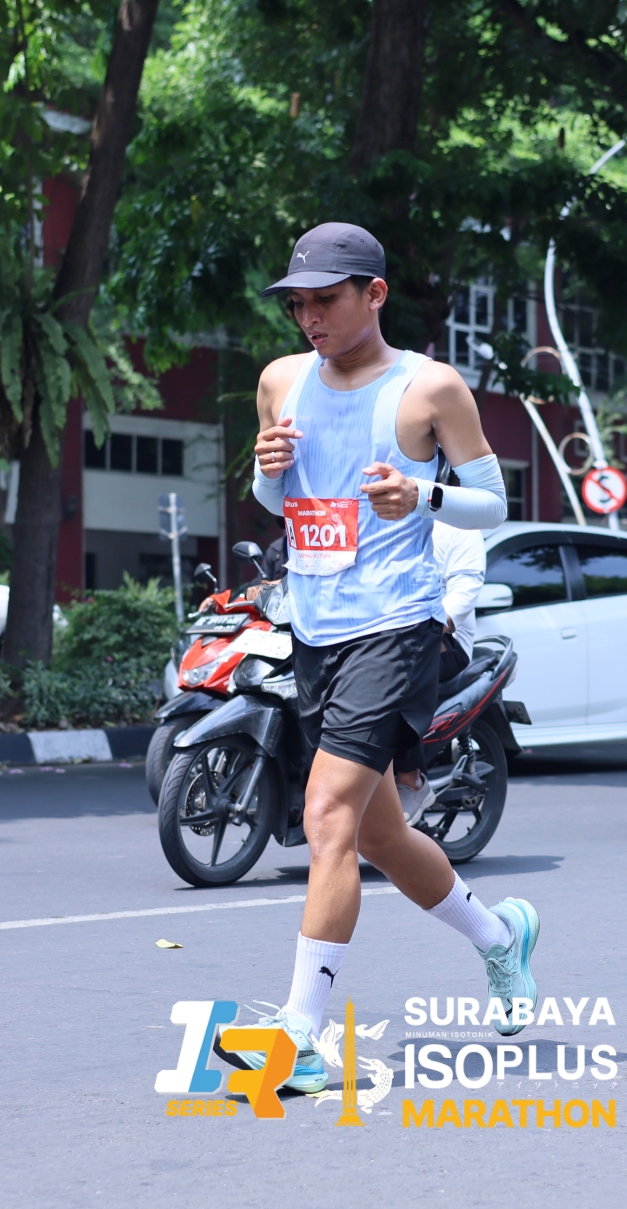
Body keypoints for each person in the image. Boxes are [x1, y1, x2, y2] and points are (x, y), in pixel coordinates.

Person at [220, 222, 539, 1094]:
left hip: (397, 630)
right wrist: (266, 470)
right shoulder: (280, 382)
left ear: (375, 294)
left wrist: (422, 494)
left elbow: (492, 505)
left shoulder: (429, 388)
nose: (309, 318)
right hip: (316, 629)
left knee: (326, 815)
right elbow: (278, 500)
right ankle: (501, 938)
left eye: (326, 300)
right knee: (379, 833)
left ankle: (300, 1037)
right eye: (298, 303)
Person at [396, 519, 485, 823]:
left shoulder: (458, 525)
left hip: (445, 639)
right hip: (384, 633)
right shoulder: (379, 519)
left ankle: (410, 778)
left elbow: (465, 589)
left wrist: (430, 625)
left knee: (395, 673)